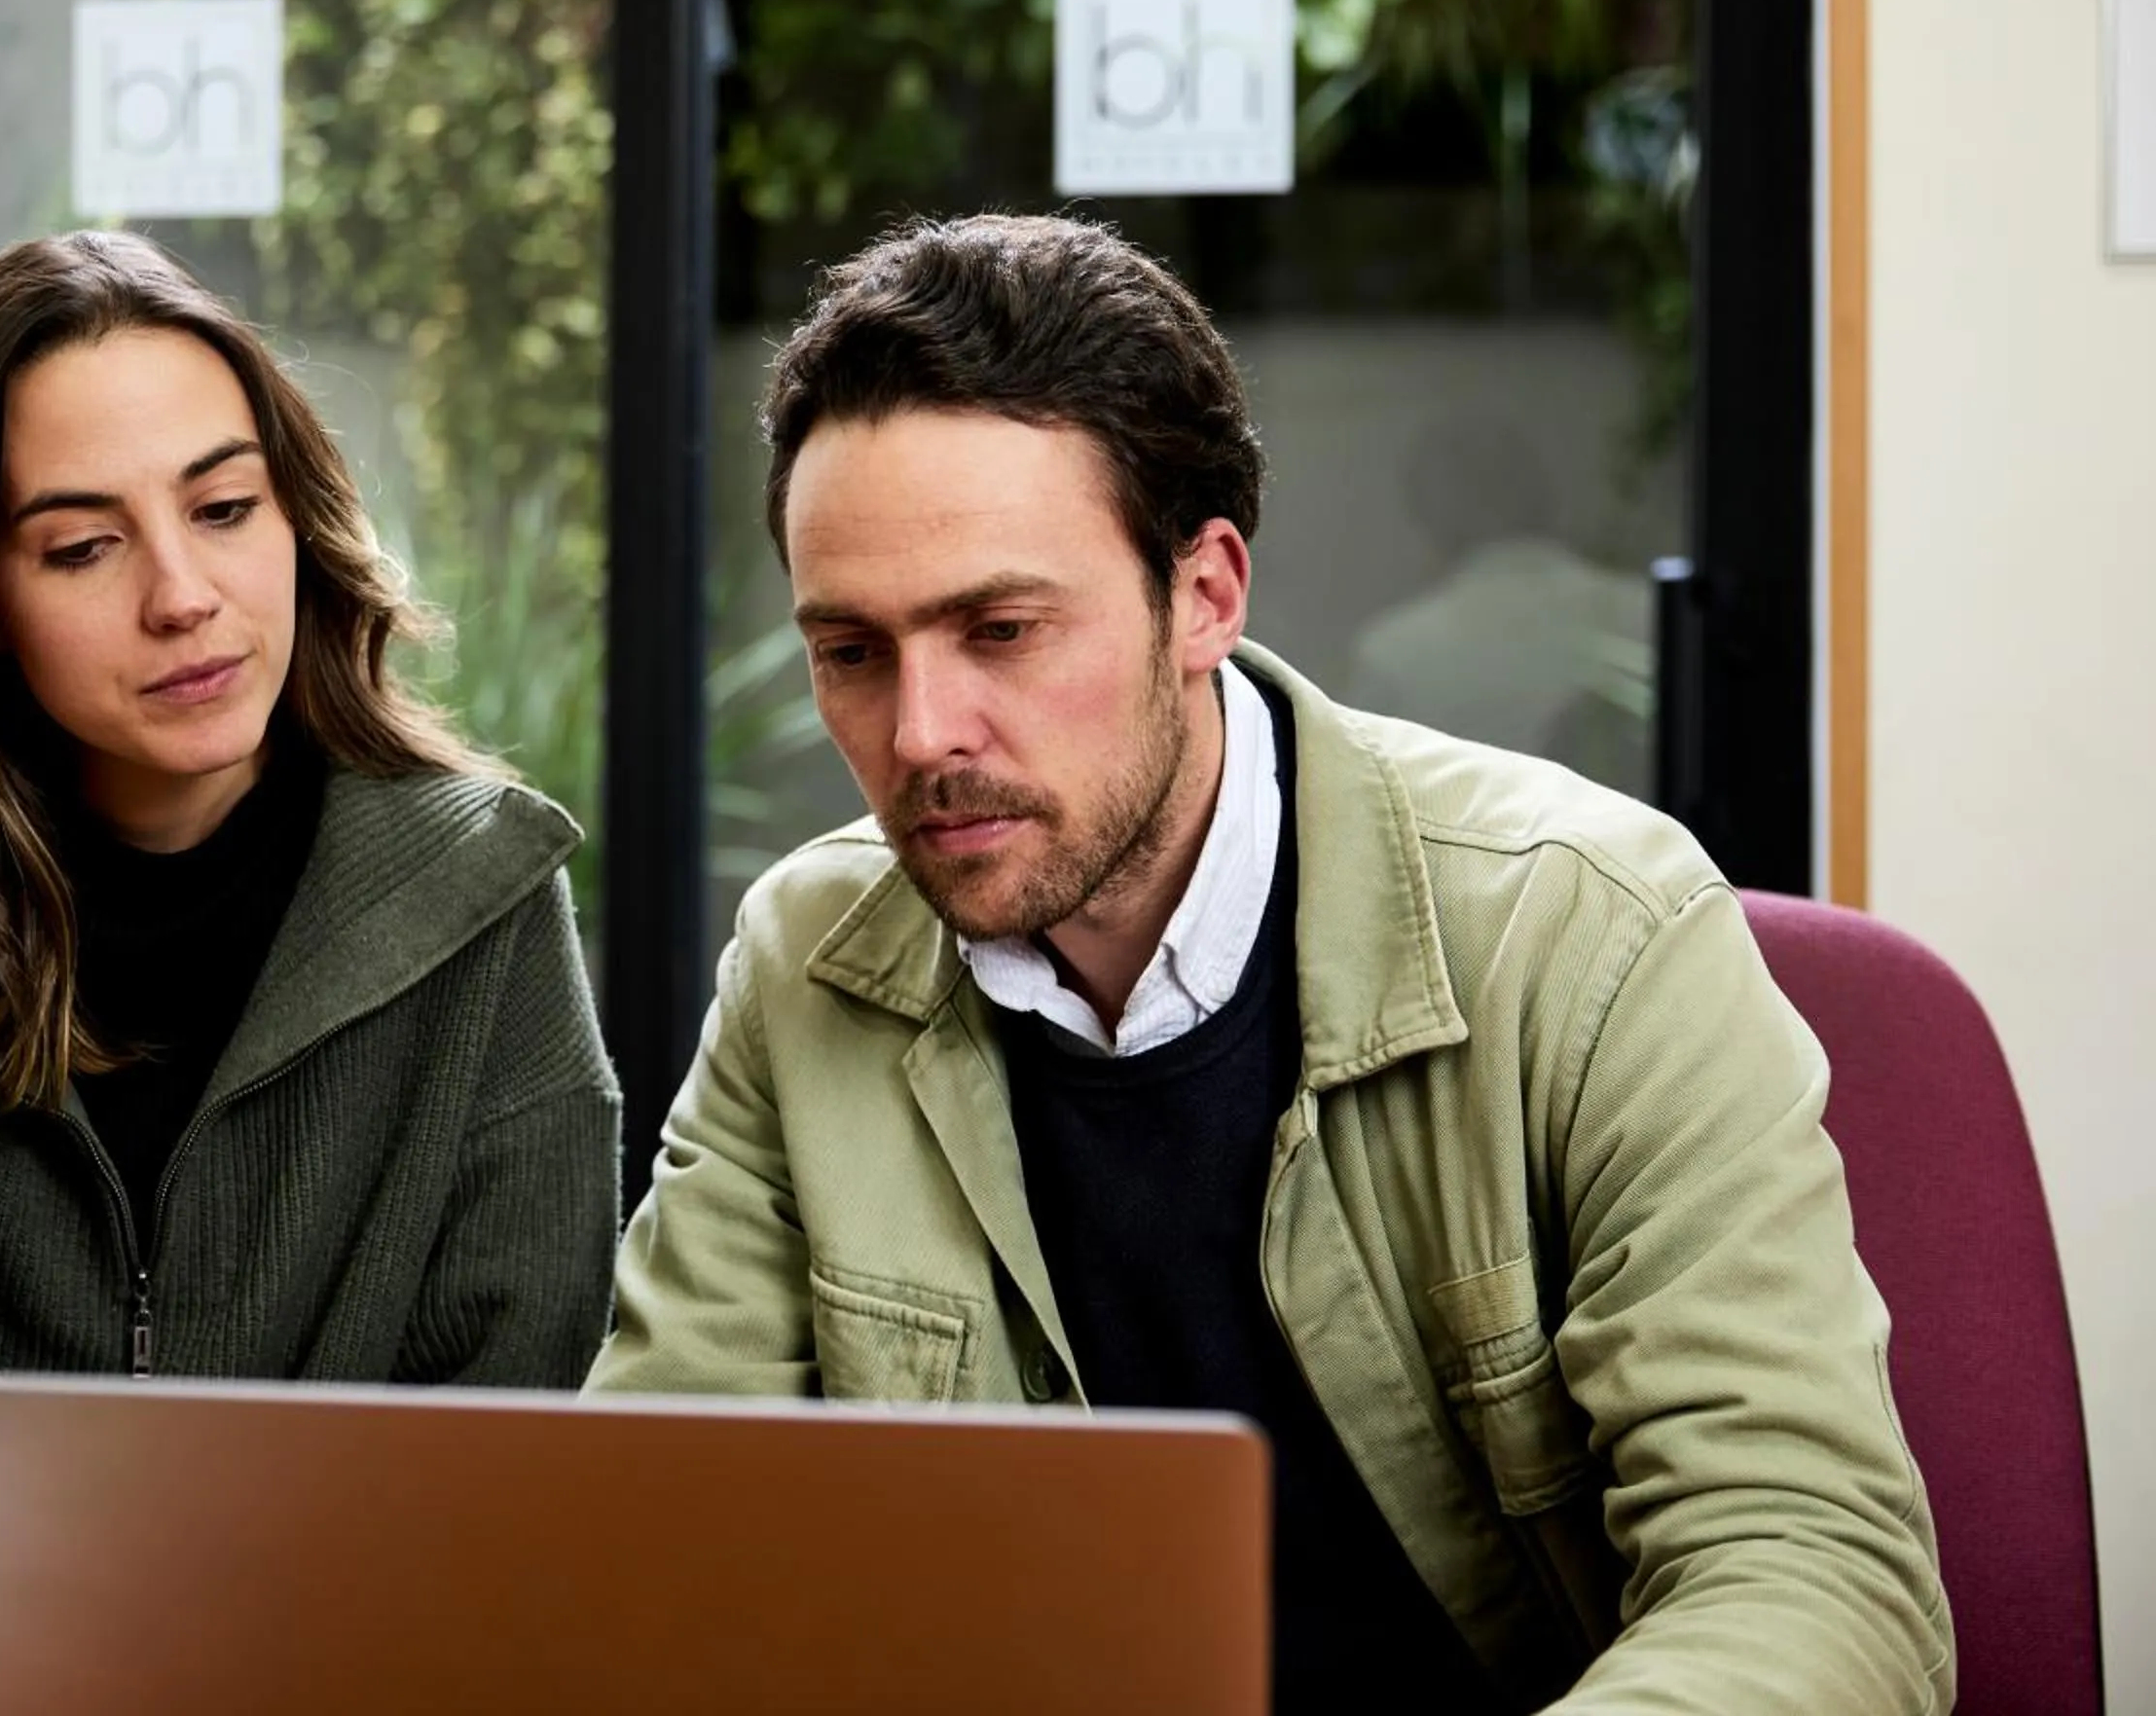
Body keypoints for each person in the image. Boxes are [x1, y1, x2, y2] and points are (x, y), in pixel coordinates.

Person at [588, 215, 1950, 1712]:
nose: (921, 734)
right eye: (852, 651)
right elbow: (654, 1550)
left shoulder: (1592, 933)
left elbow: (1811, 1574)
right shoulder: (809, 964)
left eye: (1002, 629)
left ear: (1208, 595)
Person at [0, 231, 619, 1638]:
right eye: (84, 545)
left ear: (299, 518)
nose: (183, 596)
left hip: (317, 1667)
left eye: (224, 509)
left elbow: (503, 1449)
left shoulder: (485, 891)